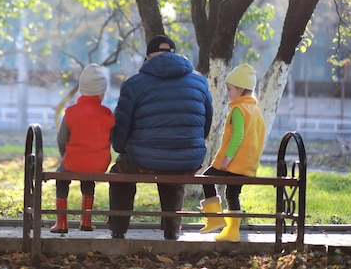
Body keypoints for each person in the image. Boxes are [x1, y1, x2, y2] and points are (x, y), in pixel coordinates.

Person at [108, 35, 213, 240]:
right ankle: (172, 229)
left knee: (119, 174)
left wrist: (121, 148)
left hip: (142, 159)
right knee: (174, 171)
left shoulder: (133, 85)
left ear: (148, 57)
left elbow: (122, 126)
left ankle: (118, 229)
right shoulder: (200, 82)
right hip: (187, 159)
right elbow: (206, 124)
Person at [199, 63, 266, 242]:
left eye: (229, 89)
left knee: (206, 179)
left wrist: (227, 158)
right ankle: (232, 232)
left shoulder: (239, 109)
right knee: (232, 194)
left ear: (241, 89)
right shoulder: (255, 111)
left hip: (233, 163)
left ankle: (214, 220)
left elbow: (238, 136)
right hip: (247, 165)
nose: (227, 93)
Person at [50, 64, 115, 233]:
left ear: (82, 89)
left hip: (73, 161)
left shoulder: (71, 112)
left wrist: (66, 156)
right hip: (99, 164)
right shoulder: (107, 113)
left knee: (61, 179)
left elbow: (61, 139)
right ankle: (86, 221)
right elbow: (113, 139)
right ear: (102, 92)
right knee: (89, 179)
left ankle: (61, 223)